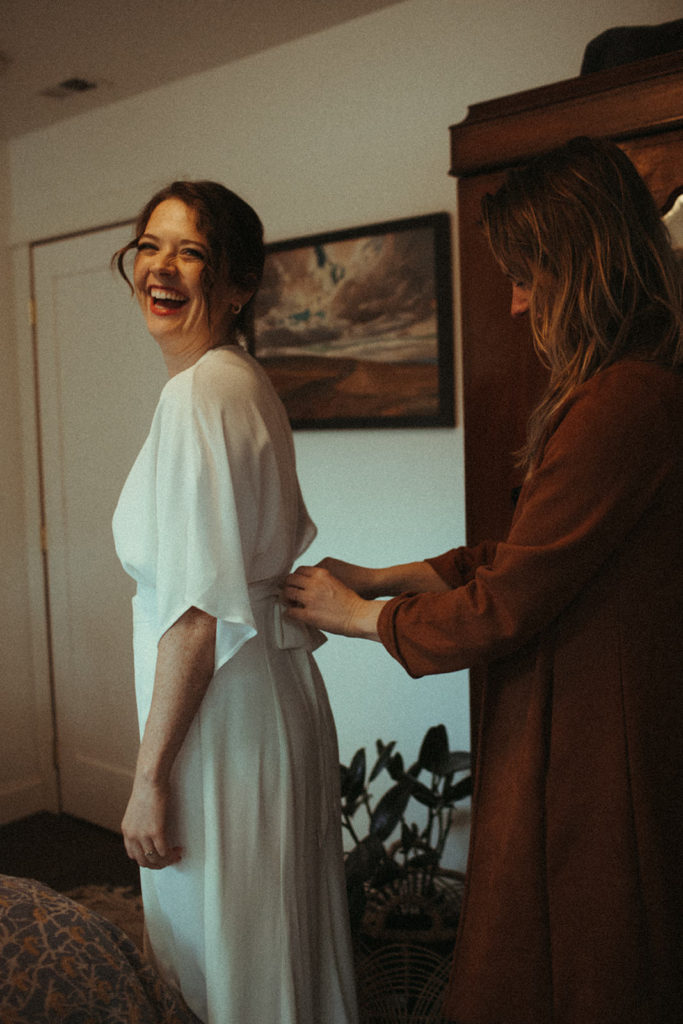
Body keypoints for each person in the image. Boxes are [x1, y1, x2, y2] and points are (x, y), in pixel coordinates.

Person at [285, 137, 683, 1024]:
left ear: (579, 266)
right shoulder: (626, 388)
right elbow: (521, 551)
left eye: (525, 274)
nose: (512, 300)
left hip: (588, 736)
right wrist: (382, 576)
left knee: (582, 962)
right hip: (580, 712)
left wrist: (354, 616)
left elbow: (508, 600)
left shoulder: (625, 400)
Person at [111, 180, 358, 1024]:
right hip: (264, 701)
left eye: (191, 251)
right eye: (149, 246)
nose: (162, 267)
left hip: (223, 716)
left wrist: (149, 779)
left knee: (225, 953)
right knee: (270, 937)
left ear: (238, 284)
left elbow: (195, 613)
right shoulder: (238, 381)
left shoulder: (198, 395)